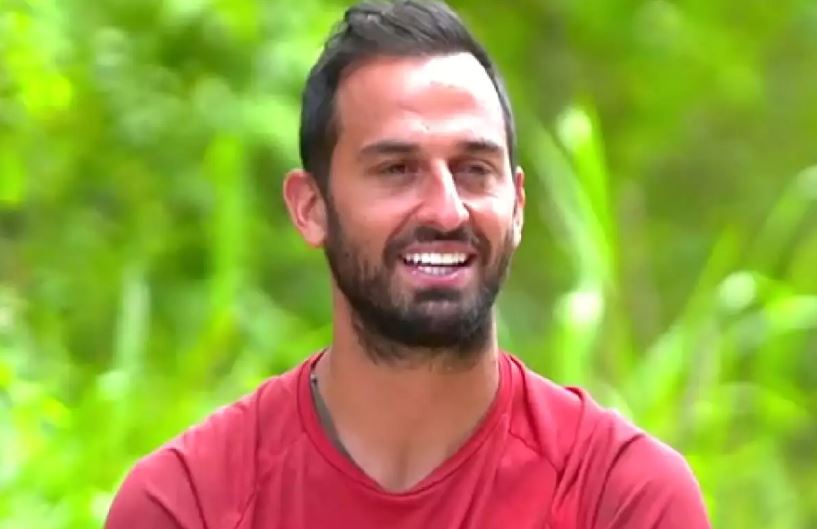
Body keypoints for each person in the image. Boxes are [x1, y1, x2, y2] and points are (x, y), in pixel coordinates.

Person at [105, 1, 712, 528]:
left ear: (518, 206)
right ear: (311, 207)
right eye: (396, 170)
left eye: (474, 169)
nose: (447, 210)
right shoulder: (189, 504)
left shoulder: (621, 499)